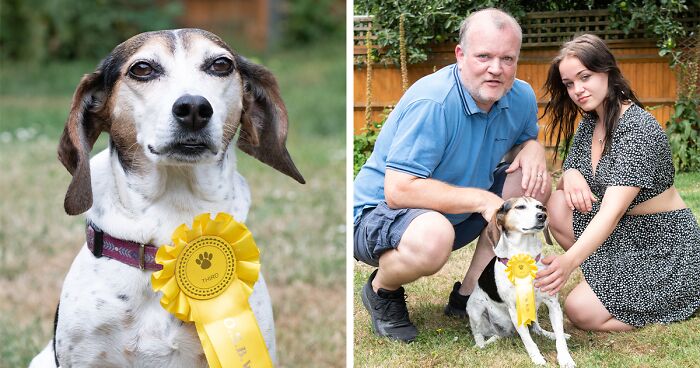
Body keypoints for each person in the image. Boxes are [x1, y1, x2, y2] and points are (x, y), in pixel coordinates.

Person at [353, 8, 551, 342]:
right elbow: (398, 190)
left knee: (531, 186)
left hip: (457, 214)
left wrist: (532, 147)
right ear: (460, 55)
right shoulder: (433, 102)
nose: (495, 69)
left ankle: (469, 296)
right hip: (380, 217)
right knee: (434, 236)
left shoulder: (520, 96)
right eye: (483, 56)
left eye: (507, 58)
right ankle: (382, 291)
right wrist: (482, 199)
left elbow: (522, 145)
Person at [537, 34, 700, 332]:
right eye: (569, 83)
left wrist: (568, 262)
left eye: (585, 77)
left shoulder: (639, 129)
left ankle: (676, 297)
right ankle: (603, 279)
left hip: (662, 246)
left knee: (579, 311)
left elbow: (610, 213)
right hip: (625, 236)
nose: (577, 90)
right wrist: (570, 174)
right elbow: (569, 178)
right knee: (558, 203)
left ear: (607, 71)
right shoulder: (590, 122)